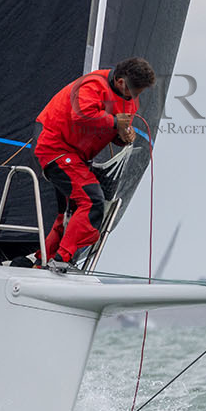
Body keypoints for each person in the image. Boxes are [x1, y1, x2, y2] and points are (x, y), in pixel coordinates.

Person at [34, 56, 156, 271]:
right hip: (55, 148)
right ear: (120, 82)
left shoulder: (130, 101)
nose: (136, 96)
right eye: (135, 90)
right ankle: (62, 260)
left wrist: (122, 137)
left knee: (69, 213)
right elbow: (82, 115)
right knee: (91, 202)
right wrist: (116, 122)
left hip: (79, 157)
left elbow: (112, 130)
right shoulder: (93, 85)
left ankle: (41, 261)